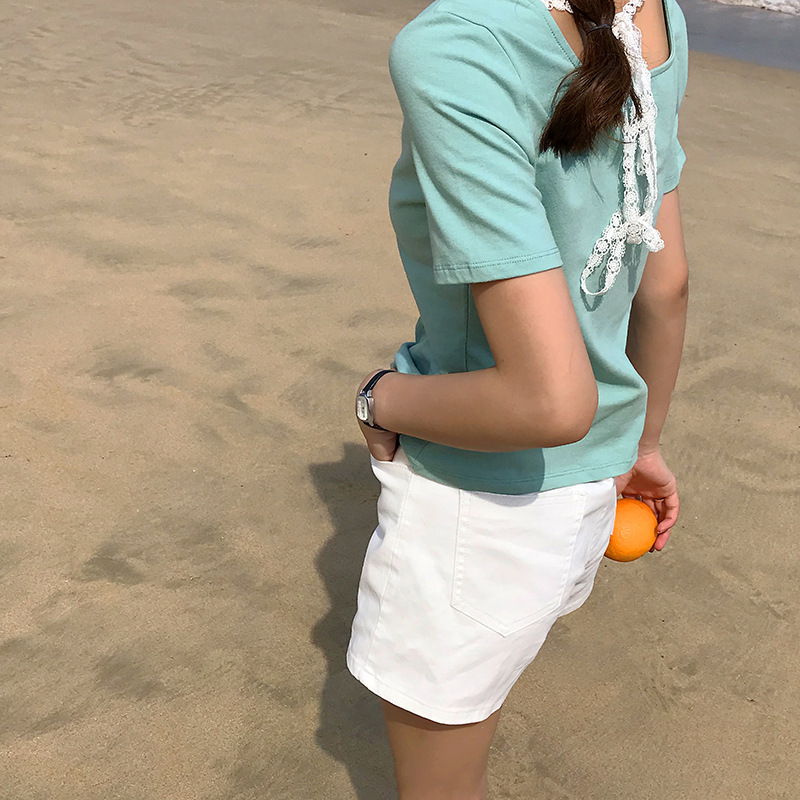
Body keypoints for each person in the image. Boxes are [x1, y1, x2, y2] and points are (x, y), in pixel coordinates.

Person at [349, 0, 689, 795]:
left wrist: (379, 399)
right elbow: (666, 283)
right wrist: (641, 444)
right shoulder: (653, 11)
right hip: (593, 487)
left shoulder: (459, 44)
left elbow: (549, 400)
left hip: (477, 502)